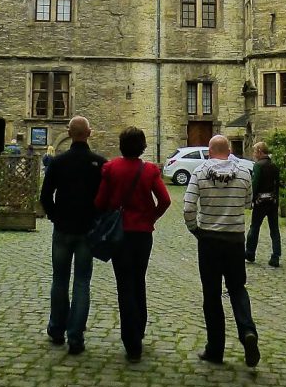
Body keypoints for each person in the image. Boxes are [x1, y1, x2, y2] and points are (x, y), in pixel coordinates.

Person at [94, 126, 171, 362]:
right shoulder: (149, 170)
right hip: (142, 234)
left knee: (124, 284)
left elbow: (100, 202)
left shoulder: (111, 168)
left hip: (120, 233)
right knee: (139, 281)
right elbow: (165, 200)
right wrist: (150, 217)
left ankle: (131, 341)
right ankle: (139, 329)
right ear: (143, 146)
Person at [183, 134, 260, 367]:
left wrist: (196, 229)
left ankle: (215, 348)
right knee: (237, 288)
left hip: (209, 240)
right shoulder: (245, 172)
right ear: (229, 150)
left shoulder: (199, 172)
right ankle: (247, 331)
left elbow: (188, 207)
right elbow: (248, 202)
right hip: (235, 239)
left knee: (212, 294)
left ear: (209, 151)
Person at [39, 117, 106, 355]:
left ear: (69, 133)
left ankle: (57, 329)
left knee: (59, 280)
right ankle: (75, 337)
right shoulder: (99, 163)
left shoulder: (58, 162)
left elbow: (45, 196)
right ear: (90, 133)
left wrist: (56, 217)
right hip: (87, 230)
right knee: (82, 282)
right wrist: (95, 219)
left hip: (63, 229)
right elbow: (105, 200)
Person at [244, 140, 281, 267]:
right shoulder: (274, 166)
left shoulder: (258, 166)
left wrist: (250, 200)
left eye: (254, 151)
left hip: (260, 202)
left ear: (260, 151)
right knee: (274, 229)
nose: (254, 154)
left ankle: (250, 253)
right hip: (273, 201)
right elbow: (277, 185)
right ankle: (276, 256)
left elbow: (255, 184)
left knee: (254, 227)